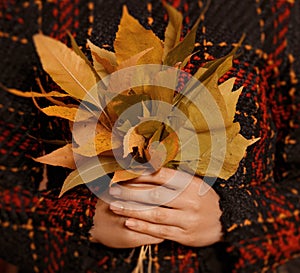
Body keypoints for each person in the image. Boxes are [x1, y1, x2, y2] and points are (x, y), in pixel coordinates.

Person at [0, 0, 299, 272]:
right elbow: (8, 200)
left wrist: (235, 219)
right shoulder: (34, 9)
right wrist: (78, 221)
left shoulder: (273, 13)